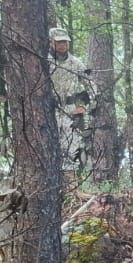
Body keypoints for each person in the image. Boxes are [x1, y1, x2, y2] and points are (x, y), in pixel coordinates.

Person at [48, 28, 92, 172]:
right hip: (48, 110)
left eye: (65, 42)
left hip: (70, 110)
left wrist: (83, 106)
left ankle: (70, 188)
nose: (63, 45)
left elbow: (91, 86)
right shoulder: (44, 62)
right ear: (51, 42)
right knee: (49, 149)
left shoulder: (76, 63)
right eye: (59, 42)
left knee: (71, 150)